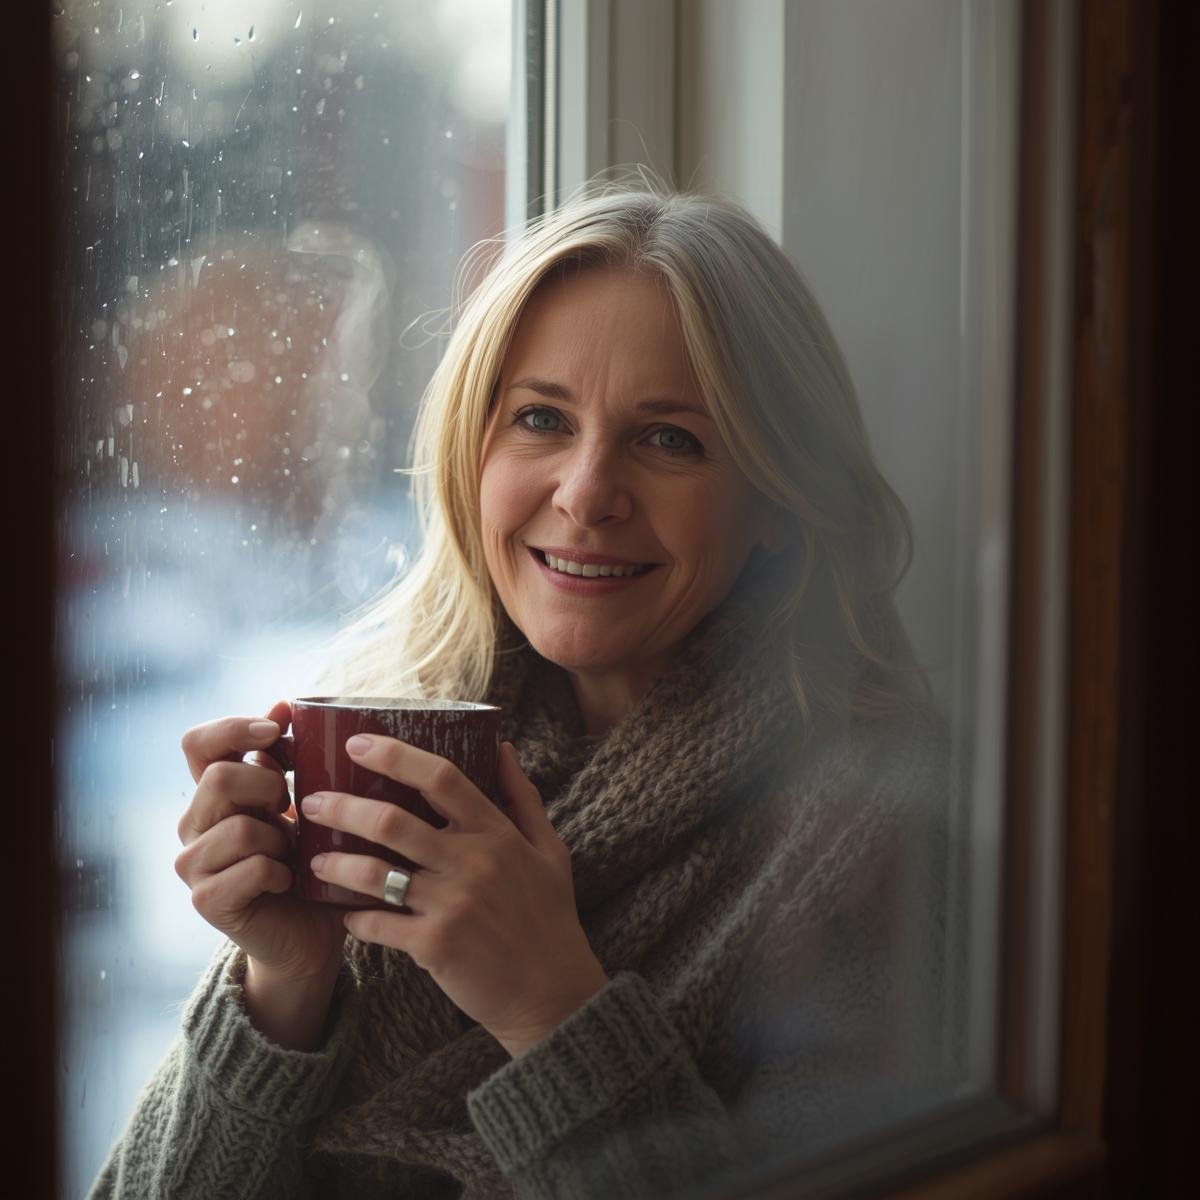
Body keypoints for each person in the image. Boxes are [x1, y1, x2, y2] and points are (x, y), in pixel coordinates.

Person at [89, 179, 957, 1200]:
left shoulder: (866, 834)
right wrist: (282, 988)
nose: (586, 492)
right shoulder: (394, 739)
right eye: (542, 418)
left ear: (776, 497)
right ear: (472, 455)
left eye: (669, 438)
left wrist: (552, 1012)